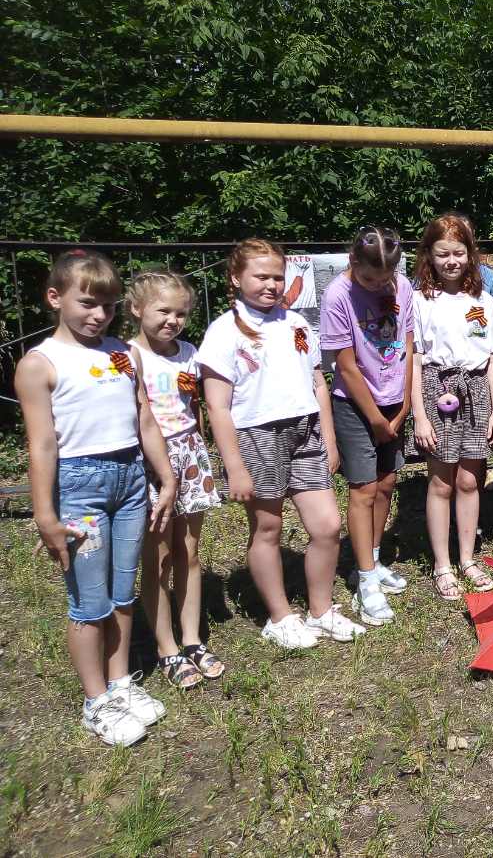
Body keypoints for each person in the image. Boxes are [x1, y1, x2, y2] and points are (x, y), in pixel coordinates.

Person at [16, 250, 176, 745]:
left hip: (130, 481)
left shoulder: (122, 354)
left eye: (107, 305)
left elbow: (144, 418)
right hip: (79, 490)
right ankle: (96, 700)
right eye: (87, 303)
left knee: (124, 591)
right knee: (90, 600)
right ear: (54, 297)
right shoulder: (39, 364)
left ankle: (121, 681)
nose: (99, 314)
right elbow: (42, 444)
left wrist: (166, 477)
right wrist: (45, 515)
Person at [199, 238, 365, 649]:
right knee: (268, 526)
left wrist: (329, 437)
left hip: (305, 430)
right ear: (235, 278)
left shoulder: (296, 323)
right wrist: (234, 465)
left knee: (328, 525)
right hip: (257, 436)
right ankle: (280, 617)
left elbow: (317, 381)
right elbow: (217, 406)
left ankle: (321, 610)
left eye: (278, 277)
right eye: (261, 277)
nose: (272, 285)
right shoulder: (223, 332)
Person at [129, 271, 224, 690]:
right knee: (160, 557)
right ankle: (165, 647)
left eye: (181, 313)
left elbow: (193, 403)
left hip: (189, 453)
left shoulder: (188, 352)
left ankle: (192, 640)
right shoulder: (127, 355)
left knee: (189, 550)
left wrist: (200, 446)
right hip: (151, 459)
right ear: (136, 309)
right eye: (163, 311)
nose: (173, 320)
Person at [319, 226, 414, 627]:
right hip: (356, 405)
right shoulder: (337, 296)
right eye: (371, 279)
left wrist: (404, 404)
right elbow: (345, 366)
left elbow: (408, 345)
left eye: (385, 278)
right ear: (352, 261)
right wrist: (375, 418)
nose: (379, 286)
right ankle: (365, 580)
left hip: (395, 402)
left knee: (387, 483)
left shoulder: (401, 286)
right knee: (364, 490)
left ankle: (372, 559)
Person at [411, 213, 493, 600]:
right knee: (441, 481)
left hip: (477, 390)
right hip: (438, 390)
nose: (451, 261)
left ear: (470, 254)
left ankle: (467, 558)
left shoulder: (482, 300)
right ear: (429, 256)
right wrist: (419, 415)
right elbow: (415, 360)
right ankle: (442, 564)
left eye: (458, 253)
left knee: (469, 480)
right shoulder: (420, 301)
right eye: (443, 254)